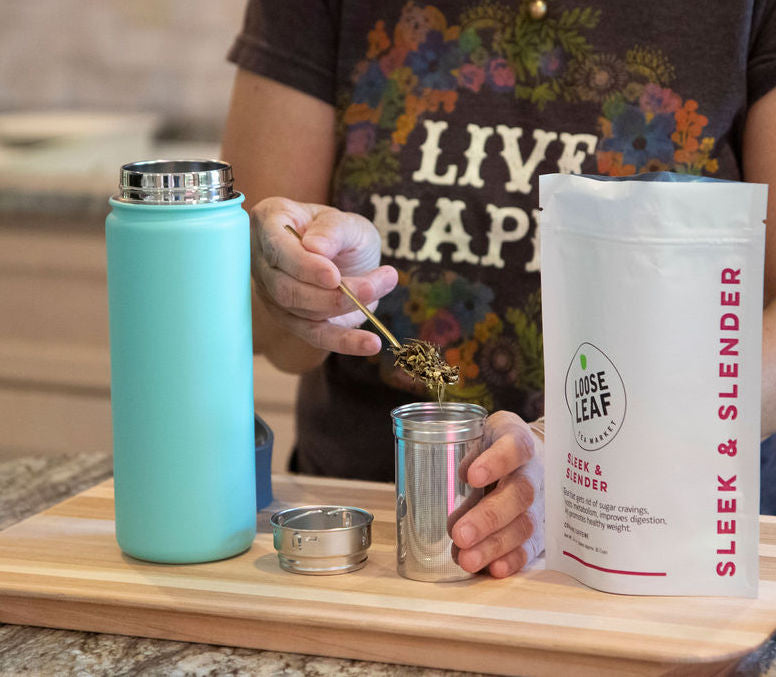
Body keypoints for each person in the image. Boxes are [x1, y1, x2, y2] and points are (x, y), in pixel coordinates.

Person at [222, 0, 776, 577]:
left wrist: (569, 453)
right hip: (372, 547)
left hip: (661, 539)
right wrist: (312, 289)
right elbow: (275, 340)